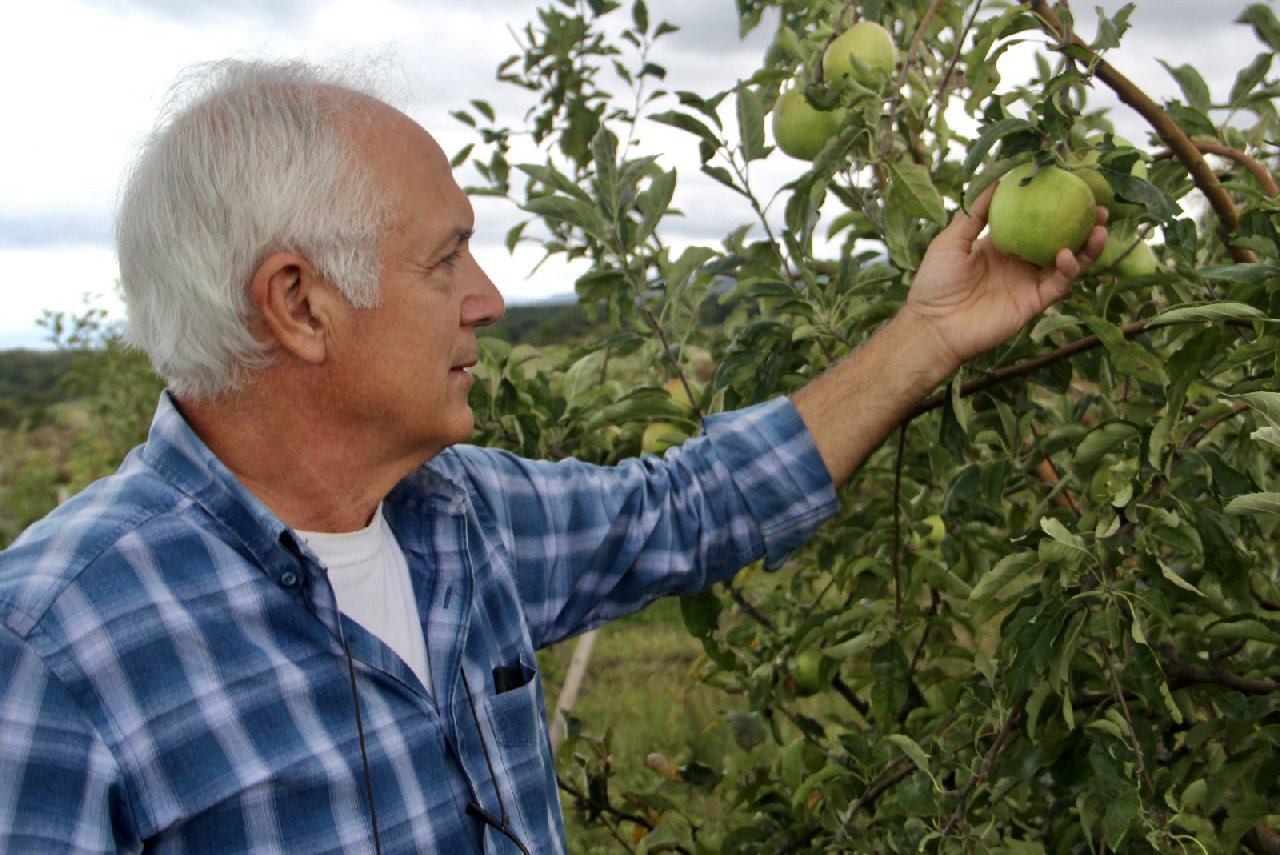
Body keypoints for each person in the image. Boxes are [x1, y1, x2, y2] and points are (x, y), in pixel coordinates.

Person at [0, 59, 1105, 853]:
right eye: (446, 263)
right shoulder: (59, 654)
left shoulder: (459, 519)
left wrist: (928, 334)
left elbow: (696, 506)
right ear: (298, 304)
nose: (485, 303)